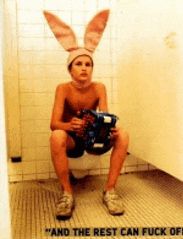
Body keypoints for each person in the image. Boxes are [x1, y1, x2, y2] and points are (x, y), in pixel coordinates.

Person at [44, 10, 129, 220]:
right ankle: (67, 194)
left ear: (92, 68)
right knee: (56, 137)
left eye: (88, 64)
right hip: (73, 140)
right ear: (70, 69)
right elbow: (54, 123)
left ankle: (110, 191)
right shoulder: (63, 88)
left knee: (124, 134)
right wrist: (70, 127)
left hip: (93, 140)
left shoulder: (99, 87)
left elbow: (106, 117)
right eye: (78, 64)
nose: (84, 68)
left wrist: (110, 129)